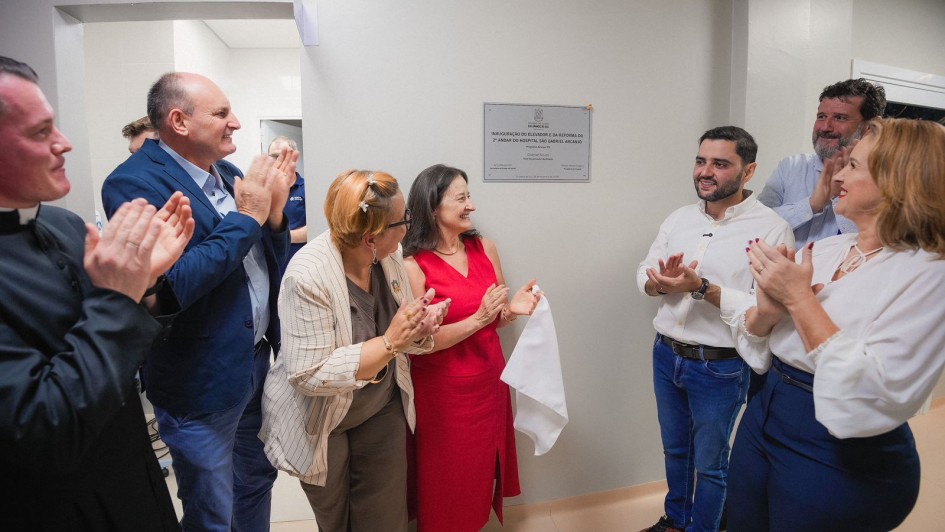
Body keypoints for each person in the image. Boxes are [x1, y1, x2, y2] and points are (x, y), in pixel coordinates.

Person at [0, 56, 194, 531]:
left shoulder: (64, 225)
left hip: (132, 478)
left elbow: (124, 352)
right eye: (41, 132)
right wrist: (117, 298)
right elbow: (43, 428)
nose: (63, 143)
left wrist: (147, 284)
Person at [723, 117, 945, 531]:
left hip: (843, 448)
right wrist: (770, 310)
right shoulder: (824, 249)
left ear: (899, 180)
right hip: (766, 412)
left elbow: (872, 389)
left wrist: (799, 299)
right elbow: (759, 345)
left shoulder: (930, 273)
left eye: (854, 166)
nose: (838, 175)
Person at [101, 72, 298, 532]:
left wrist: (272, 218)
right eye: (222, 113)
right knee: (211, 503)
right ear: (179, 121)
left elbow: (266, 260)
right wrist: (249, 214)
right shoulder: (132, 183)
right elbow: (172, 286)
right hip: (199, 377)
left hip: (251, 360)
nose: (237, 123)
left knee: (255, 481)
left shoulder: (227, 174)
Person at [260, 169, 448, 532]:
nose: (409, 228)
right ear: (370, 238)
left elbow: (401, 333)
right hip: (323, 420)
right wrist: (391, 341)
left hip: (380, 408)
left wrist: (419, 326)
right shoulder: (307, 276)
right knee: (337, 521)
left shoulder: (389, 257)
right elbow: (309, 374)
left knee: (384, 519)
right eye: (403, 221)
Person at [637, 126, 793, 532]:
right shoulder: (679, 218)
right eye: (701, 160)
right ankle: (675, 520)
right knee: (675, 451)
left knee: (710, 465)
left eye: (720, 164)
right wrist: (659, 283)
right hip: (666, 354)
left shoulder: (773, 230)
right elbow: (645, 273)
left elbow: (766, 311)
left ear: (749, 170)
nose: (705, 172)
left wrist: (702, 288)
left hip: (720, 367)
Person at [403, 163, 541, 531]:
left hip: (489, 384)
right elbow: (419, 343)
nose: (471, 205)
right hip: (442, 395)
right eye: (461, 197)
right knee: (446, 479)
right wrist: (479, 318)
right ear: (433, 208)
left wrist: (513, 309)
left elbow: (494, 316)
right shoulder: (413, 266)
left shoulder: (485, 248)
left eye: (469, 196)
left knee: (480, 474)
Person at [758, 78, 887, 248]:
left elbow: (875, 245)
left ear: (871, 126)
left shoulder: (885, 179)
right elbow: (756, 224)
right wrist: (813, 204)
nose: (825, 127)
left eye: (840, 118)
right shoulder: (790, 167)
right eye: (821, 116)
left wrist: (844, 193)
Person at [267, 136, 307, 260]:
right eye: (273, 156)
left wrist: (281, 237)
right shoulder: (263, 190)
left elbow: (315, 227)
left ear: (294, 157)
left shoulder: (307, 188)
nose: (278, 160)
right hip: (272, 261)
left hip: (299, 259)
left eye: (283, 155)